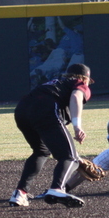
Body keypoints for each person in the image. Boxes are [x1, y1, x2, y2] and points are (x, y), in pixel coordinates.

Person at [9, 63, 93, 208]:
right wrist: (77, 126)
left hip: (22, 110)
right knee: (69, 157)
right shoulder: (80, 83)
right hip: (45, 109)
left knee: (41, 151)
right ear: (86, 78)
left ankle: (20, 193)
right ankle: (57, 189)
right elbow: (75, 97)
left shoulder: (55, 83)